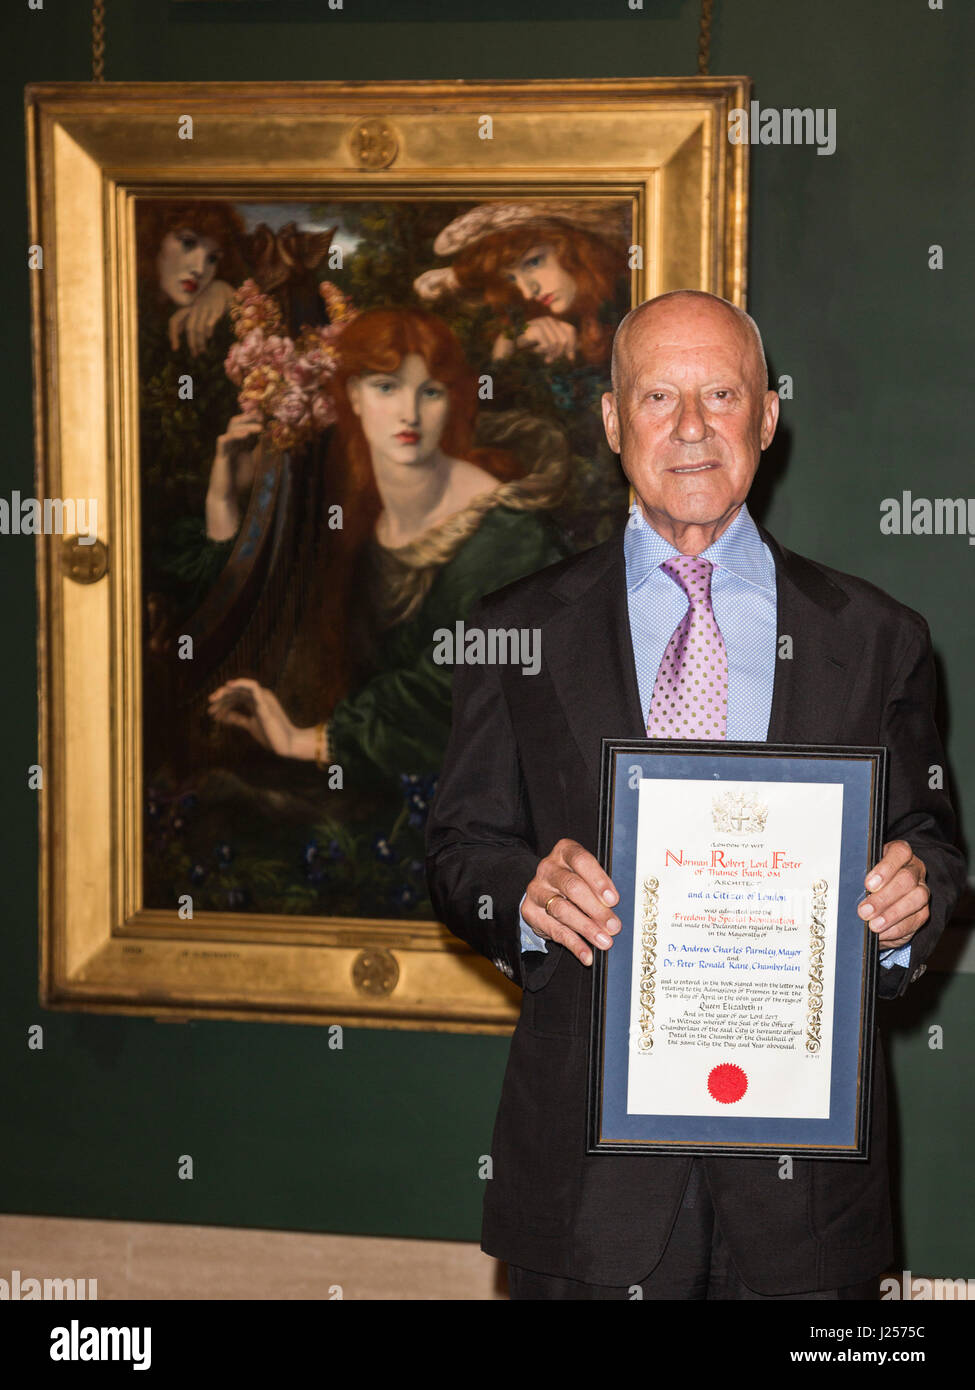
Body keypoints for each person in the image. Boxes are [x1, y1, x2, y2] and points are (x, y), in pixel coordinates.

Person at [425, 289, 966, 1299]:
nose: (689, 428)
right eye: (657, 396)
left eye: (720, 393)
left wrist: (912, 900)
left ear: (766, 416)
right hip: (587, 1189)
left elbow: (928, 837)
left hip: (810, 1201)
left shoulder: (879, 634)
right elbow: (460, 849)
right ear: (611, 422)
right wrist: (526, 896)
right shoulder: (516, 629)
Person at [206, 307, 569, 917]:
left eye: (429, 391)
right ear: (352, 395)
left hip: (485, 806)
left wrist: (310, 739)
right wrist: (223, 494)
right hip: (385, 782)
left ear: (452, 402)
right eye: (386, 387)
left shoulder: (504, 536)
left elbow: (451, 689)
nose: (408, 413)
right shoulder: (357, 519)